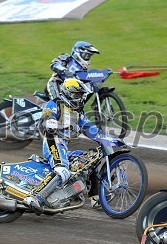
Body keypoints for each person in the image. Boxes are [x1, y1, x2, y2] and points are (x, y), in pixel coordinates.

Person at [23, 78, 109, 215]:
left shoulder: (78, 113)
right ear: (67, 93)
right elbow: (45, 119)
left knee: (92, 158)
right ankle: (34, 197)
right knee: (62, 170)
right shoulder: (54, 104)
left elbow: (89, 128)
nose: (80, 98)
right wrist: (51, 122)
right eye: (77, 95)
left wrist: (108, 138)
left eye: (82, 95)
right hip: (53, 140)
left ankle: (95, 197)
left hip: (63, 146)